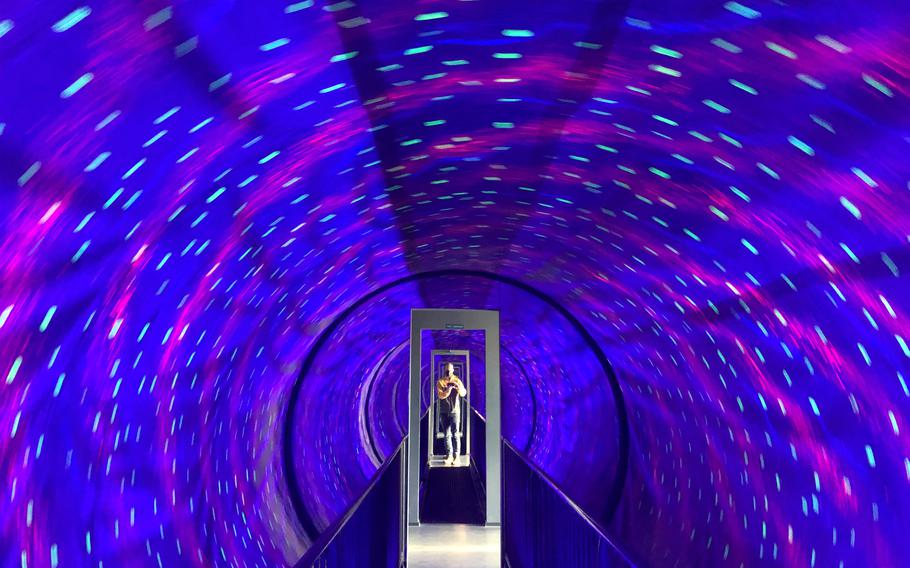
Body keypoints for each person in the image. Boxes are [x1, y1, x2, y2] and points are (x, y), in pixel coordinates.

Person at [436, 363, 466, 465]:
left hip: (455, 411)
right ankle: (449, 455)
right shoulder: (440, 382)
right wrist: (448, 390)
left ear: (453, 370)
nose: (448, 372)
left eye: (450, 370)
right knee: (447, 435)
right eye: (446, 370)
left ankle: (456, 456)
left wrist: (458, 388)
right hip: (444, 411)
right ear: (445, 370)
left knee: (455, 434)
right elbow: (441, 396)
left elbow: (463, 393)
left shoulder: (457, 380)